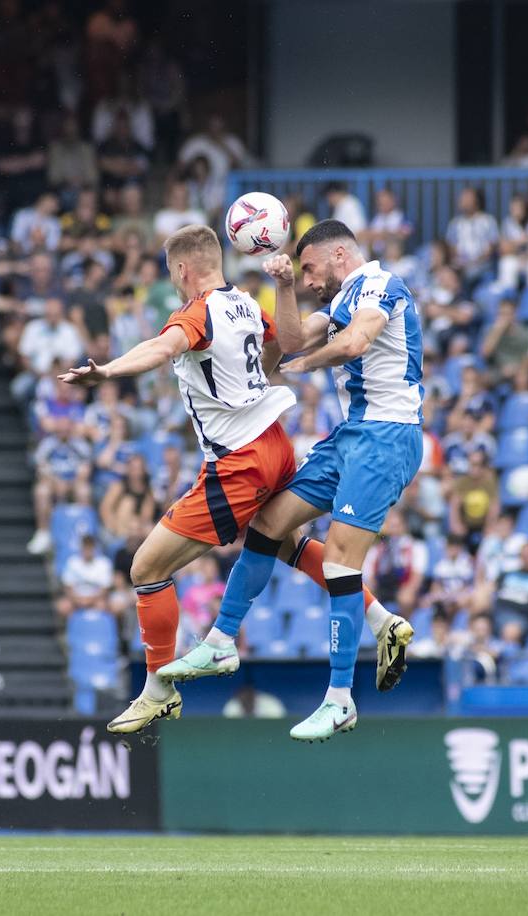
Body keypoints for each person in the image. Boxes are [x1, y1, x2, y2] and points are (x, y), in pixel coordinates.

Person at [164, 220, 423, 742]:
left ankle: (340, 699)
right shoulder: (346, 292)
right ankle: (220, 639)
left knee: (339, 561)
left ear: (340, 256)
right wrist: (281, 286)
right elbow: (290, 338)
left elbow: (353, 343)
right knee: (269, 522)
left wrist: (302, 366)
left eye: (308, 268)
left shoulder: (379, 285)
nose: (308, 280)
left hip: (386, 437)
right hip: (351, 436)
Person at [58, 224, 304, 734]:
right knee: (288, 546)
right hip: (277, 442)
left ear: (181, 270)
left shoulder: (196, 312)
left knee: (145, 568)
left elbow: (161, 347)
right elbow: (278, 350)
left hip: (238, 462)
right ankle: (376, 615)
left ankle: (158, 690)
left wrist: (106, 372)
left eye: (172, 274)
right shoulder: (245, 304)